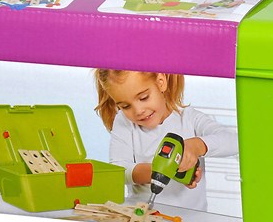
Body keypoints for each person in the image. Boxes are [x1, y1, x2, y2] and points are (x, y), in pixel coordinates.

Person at [94, 69, 238, 211]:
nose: (138, 111)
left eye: (144, 97)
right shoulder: (124, 122)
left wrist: (196, 146)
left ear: (160, 82)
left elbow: (234, 141)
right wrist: (160, 171)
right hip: (143, 215)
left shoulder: (189, 118)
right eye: (125, 106)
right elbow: (119, 170)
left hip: (193, 219)